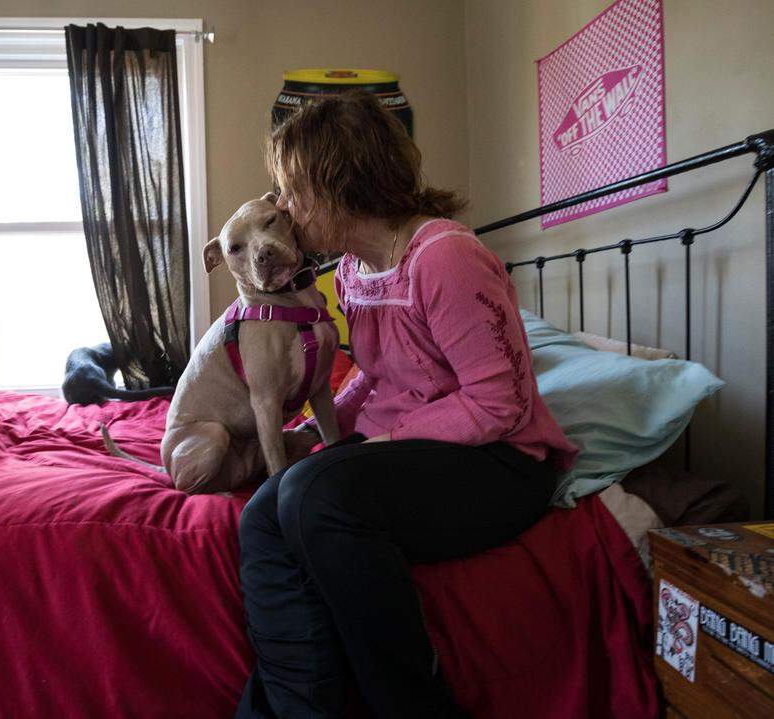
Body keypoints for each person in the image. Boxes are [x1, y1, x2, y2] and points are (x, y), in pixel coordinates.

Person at [235, 91, 579, 719]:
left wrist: (375, 446)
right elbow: (372, 374)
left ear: (335, 185)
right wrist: (323, 431)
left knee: (314, 496)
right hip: (415, 452)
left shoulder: (446, 258)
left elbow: (499, 401)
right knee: (263, 512)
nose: (284, 207)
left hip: (499, 461)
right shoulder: (352, 272)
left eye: (291, 189)